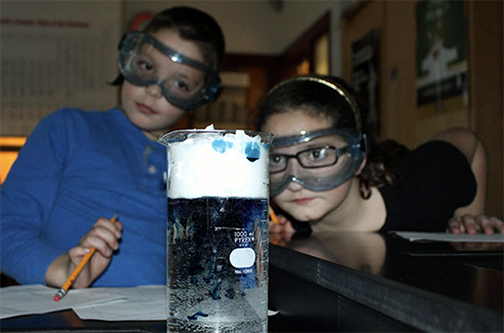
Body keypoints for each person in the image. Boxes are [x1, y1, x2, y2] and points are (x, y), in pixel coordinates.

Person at [0, 6, 226, 288]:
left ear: (200, 96)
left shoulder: (198, 169)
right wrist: (63, 271)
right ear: (129, 58)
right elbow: (6, 225)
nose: (154, 90)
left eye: (180, 83)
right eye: (147, 67)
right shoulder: (66, 129)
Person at [257, 75, 504, 240]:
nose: (294, 181)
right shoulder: (284, 223)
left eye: (316, 154)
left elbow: (468, 140)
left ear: (358, 155)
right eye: (277, 159)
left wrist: (469, 218)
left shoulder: (424, 186)